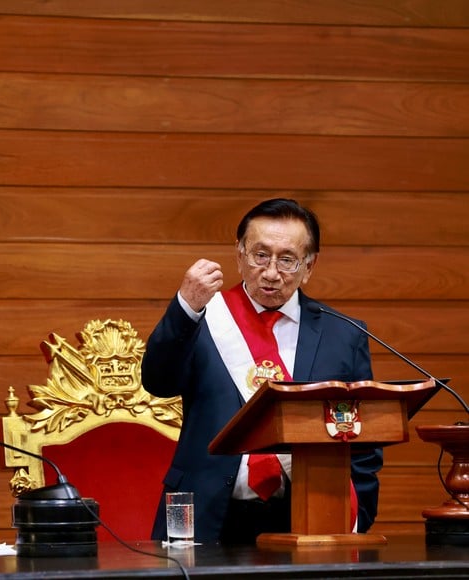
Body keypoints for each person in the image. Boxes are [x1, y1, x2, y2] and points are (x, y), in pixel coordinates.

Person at [142, 198, 382, 544]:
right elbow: (158, 383)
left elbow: (364, 438)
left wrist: (359, 511)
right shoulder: (203, 318)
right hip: (207, 514)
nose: (271, 272)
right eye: (260, 255)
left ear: (309, 266)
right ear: (240, 255)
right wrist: (184, 307)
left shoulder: (342, 334)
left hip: (307, 519)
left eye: (287, 259)